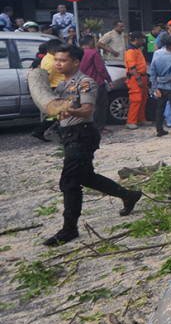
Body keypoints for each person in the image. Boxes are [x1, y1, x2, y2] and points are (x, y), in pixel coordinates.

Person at [41, 44, 143, 247]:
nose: (58, 64)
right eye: (56, 60)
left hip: (82, 135)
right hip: (69, 135)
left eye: (63, 60)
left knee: (69, 181)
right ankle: (128, 195)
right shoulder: (62, 84)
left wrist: (70, 111)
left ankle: (69, 229)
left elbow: (87, 110)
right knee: (86, 176)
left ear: (76, 62)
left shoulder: (86, 82)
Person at [30, 39, 65, 142]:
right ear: (54, 50)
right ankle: (61, 135)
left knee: (56, 114)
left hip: (58, 87)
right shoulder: (51, 63)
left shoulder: (48, 58)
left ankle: (39, 131)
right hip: (56, 88)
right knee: (61, 113)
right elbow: (46, 79)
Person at [78, 36, 113, 133]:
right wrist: (109, 80)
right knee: (100, 105)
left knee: (86, 105)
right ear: (90, 42)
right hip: (96, 83)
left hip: (82, 83)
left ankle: (86, 126)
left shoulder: (76, 54)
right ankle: (99, 127)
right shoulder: (93, 53)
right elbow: (101, 69)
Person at [124, 31, 149, 130]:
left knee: (143, 98)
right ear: (137, 39)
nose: (142, 41)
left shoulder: (137, 49)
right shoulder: (130, 51)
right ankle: (131, 121)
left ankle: (141, 119)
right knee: (136, 100)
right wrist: (138, 79)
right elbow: (132, 67)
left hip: (141, 77)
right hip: (135, 78)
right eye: (141, 39)